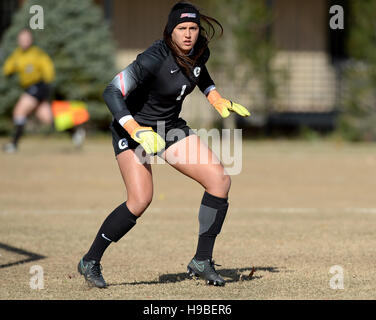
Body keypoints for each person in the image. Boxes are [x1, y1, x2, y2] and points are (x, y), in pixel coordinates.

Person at [78, 1, 250, 288]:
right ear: (170, 31)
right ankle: (90, 260)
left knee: (219, 180)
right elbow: (111, 91)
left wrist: (215, 97)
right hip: (132, 129)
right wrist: (134, 128)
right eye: (181, 28)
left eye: (193, 28)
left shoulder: (199, 52)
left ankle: (202, 261)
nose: (188, 34)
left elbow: (200, 74)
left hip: (168, 128)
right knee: (140, 200)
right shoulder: (153, 57)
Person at [2, 28, 85, 153]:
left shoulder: (37, 53)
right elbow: (8, 68)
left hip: (39, 86)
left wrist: (46, 85)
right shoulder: (17, 54)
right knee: (47, 118)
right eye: (21, 39)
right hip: (29, 88)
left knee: (19, 110)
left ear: (31, 40)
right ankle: (75, 132)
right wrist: (8, 70)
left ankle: (14, 144)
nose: (24, 41)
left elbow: (48, 69)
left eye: (26, 38)